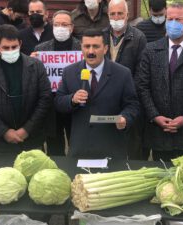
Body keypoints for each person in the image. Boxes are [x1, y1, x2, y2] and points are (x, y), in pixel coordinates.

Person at [136, 2, 183, 162]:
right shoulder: (151, 50)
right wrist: (155, 116)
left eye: (178, 19)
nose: (173, 23)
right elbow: (142, 86)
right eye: (170, 19)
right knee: (162, 178)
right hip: (159, 130)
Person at [54, 28, 139, 159]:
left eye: (96, 46)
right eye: (87, 46)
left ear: (105, 49)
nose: (91, 51)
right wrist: (72, 99)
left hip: (112, 148)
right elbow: (59, 102)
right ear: (81, 47)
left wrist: (125, 118)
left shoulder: (123, 73)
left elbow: (132, 105)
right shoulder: (69, 72)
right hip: (80, 148)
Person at [0, 24, 52, 154]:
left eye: (14, 47)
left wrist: (27, 129)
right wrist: (4, 132)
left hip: (32, 139)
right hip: (0, 142)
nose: (10, 51)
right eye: (5, 47)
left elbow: (45, 98)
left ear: (20, 44)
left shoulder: (36, 65)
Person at [103, 0, 147, 160]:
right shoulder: (101, 35)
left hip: (129, 99)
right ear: (108, 15)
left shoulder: (138, 37)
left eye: (120, 13)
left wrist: (124, 92)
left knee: (131, 145)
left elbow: (141, 72)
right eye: (112, 14)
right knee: (106, 143)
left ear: (127, 15)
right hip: (104, 99)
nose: (116, 17)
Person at [34, 10, 81, 156]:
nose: (60, 27)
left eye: (64, 24)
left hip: (75, 104)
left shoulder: (82, 48)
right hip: (51, 107)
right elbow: (35, 80)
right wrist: (31, 63)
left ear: (72, 27)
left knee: (77, 144)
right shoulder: (40, 49)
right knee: (54, 147)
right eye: (57, 24)